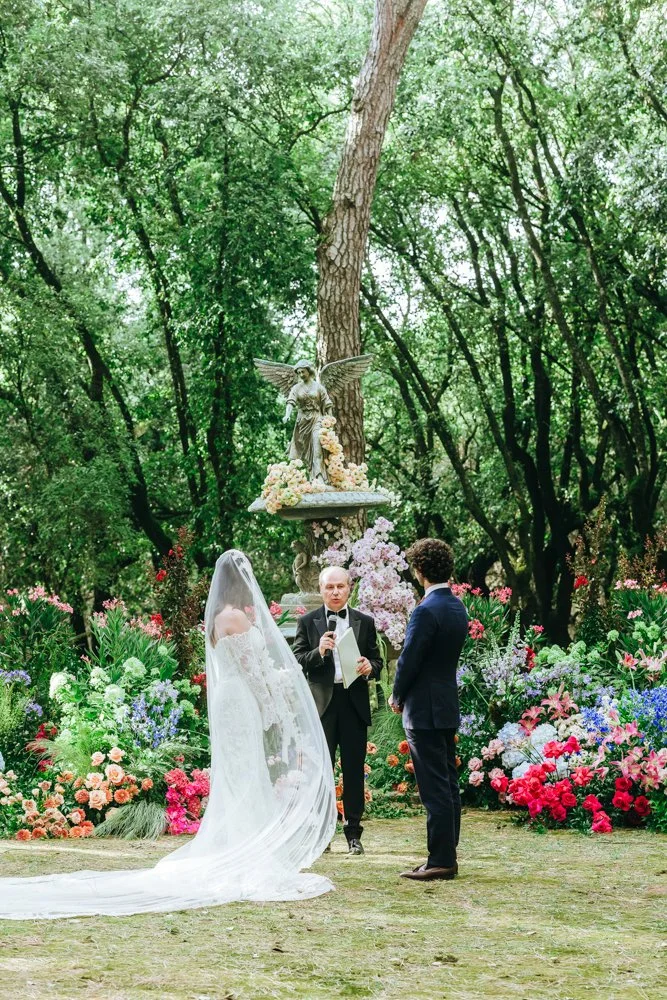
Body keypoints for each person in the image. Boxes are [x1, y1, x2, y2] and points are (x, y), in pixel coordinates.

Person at [0, 551, 337, 919]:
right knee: (246, 772)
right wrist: (274, 704)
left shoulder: (216, 618)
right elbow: (254, 672)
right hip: (241, 700)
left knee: (237, 772)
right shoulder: (237, 617)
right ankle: (244, 848)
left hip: (229, 701)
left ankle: (232, 841)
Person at [389, 538, 468, 881]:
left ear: (418, 570)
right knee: (448, 783)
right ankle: (447, 853)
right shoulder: (457, 607)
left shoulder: (425, 610)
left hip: (423, 709)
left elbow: (409, 659)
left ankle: (440, 861)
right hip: (446, 704)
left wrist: (396, 694)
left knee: (434, 787)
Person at [292, 566, 383, 855]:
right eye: (329, 587)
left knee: (354, 771)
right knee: (322, 771)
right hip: (322, 706)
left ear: (349, 588)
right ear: (321, 589)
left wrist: (371, 668)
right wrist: (318, 652)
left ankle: (354, 834)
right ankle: (322, 833)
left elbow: (378, 662)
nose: (335, 592)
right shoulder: (308, 621)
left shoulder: (364, 622)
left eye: (340, 587)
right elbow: (297, 658)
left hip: (353, 703)